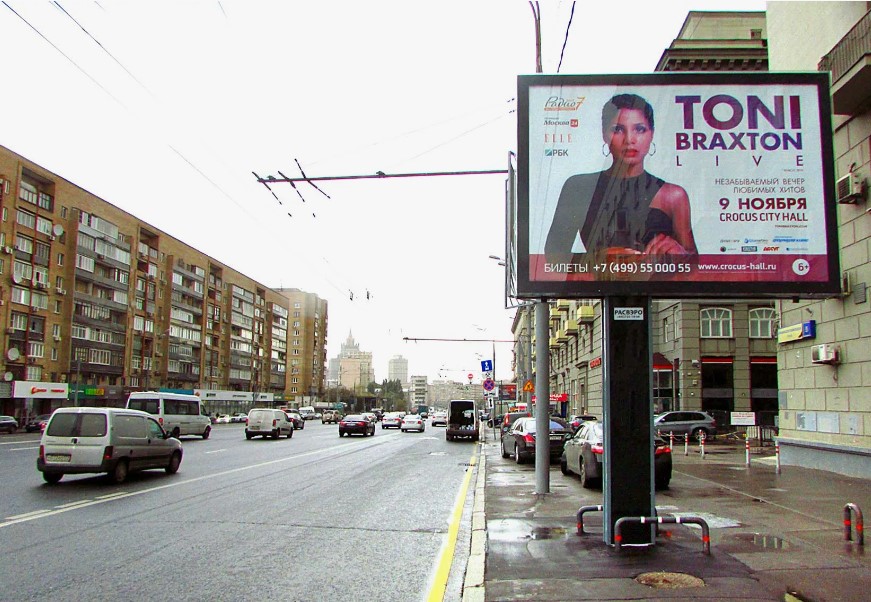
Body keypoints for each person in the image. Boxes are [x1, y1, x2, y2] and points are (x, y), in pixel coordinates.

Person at [545, 93, 696, 260]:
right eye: (618, 129)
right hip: (595, 278)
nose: (629, 140)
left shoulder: (673, 195)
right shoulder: (578, 187)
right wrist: (598, 260)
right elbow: (553, 257)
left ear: (651, 134)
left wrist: (681, 255)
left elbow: (694, 263)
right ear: (604, 135)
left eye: (639, 129)